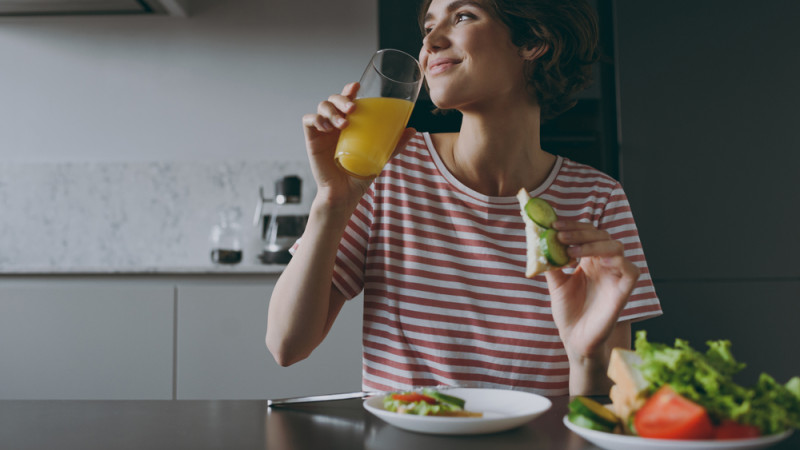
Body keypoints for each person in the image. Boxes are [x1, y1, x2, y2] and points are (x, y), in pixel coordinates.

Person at [266, 0, 662, 396]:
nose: (431, 42)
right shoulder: (388, 169)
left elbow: (608, 410)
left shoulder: (598, 198)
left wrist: (585, 357)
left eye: (463, 16)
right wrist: (332, 202)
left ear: (533, 39)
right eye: (427, 27)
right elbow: (286, 345)